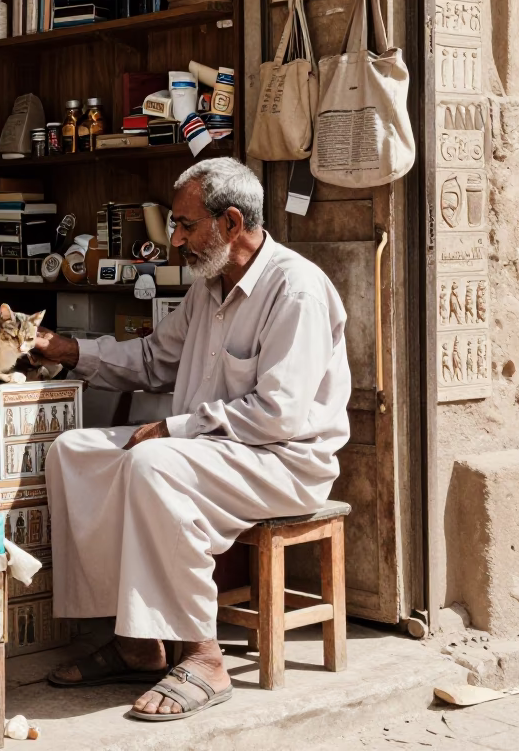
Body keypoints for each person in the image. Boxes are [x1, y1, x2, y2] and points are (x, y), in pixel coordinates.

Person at [32, 157, 351, 722]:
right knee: (74, 453)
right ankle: (137, 639)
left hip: (285, 461)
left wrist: (174, 429)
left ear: (230, 223)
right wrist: (71, 351)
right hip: (215, 451)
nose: (174, 239)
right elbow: (154, 359)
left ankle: (203, 655)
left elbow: (277, 415)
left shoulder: (295, 289)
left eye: (184, 225)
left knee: (154, 464)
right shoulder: (210, 285)